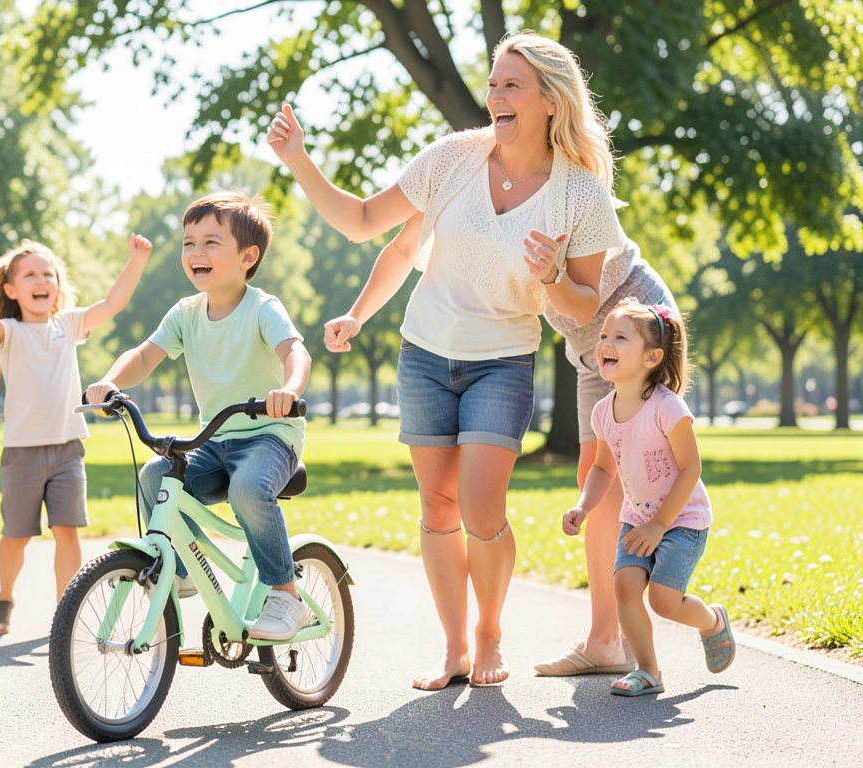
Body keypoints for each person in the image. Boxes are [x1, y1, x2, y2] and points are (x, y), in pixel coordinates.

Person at [266, 32, 625, 686]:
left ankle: (490, 636)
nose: (494, 95)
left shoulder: (580, 193)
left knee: (482, 509)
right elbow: (367, 222)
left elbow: (581, 305)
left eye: (510, 85)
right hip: (425, 353)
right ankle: (456, 648)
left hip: (503, 360)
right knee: (437, 509)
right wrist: (299, 160)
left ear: (550, 99)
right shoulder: (454, 157)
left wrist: (549, 276)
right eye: (492, 83)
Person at [86, 191, 314, 641]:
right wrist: (111, 382)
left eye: (211, 242)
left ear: (248, 257)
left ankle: (287, 594)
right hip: (216, 438)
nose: (196, 253)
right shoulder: (185, 314)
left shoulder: (262, 308)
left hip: (270, 436)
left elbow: (296, 351)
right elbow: (145, 355)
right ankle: (184, 568)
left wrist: (288, 391)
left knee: (249, 489)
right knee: (155, 476)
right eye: (188, 243)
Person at [0, 236, 152, 634]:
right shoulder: (10, 332)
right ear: (12, 290)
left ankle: (64, 611)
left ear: (57, 286)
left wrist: (136, 261)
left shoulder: (68, 325)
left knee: (67, 530)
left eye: (47, 273)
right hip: (22, 453)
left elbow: (111, 304)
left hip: (68, 448)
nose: (41, 279)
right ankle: (5, 595)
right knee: (16, 536)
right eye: (30, 274)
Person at [562, 299, 735, 696]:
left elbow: (692, 468)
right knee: (624, 586)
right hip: (637, 517)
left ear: (652, 357)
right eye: (604, 335)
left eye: (620, 337)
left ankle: (711, 622)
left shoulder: (668, 407)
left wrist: (660, 525)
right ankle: (649, 671)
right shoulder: (603, 412)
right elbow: (603, 468)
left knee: (663, 601)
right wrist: (583, 506)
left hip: (681, 519)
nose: (606, 342)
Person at [533, 237, 677, 677]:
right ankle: (605, 640)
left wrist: (547, 274)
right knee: (593, 476)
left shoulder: (569, 187)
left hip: (634, 331)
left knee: (638, 471)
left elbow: (581, 299)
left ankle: (653, 608)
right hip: (587, 348)